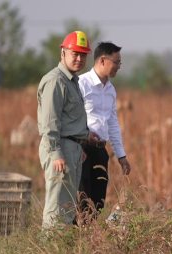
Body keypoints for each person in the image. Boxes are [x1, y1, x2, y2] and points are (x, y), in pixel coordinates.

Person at [37, 31, 91, 228]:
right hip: (59, 148)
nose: (79, 59)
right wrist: (57, 152)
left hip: (72, 148)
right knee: (57, 208)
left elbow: (70, 119)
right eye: (74, 53)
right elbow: (50, 122)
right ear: (63, 53)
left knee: (67, 208)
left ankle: (59, 251)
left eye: (83, 55)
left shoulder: (72, 81)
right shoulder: (56, 81)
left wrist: (78, 147)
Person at [77, 41, 131, 216]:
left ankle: (91, 238)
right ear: (102, 60)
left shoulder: (111, 90)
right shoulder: (81, 84)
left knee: (98, 201)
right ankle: (78, 239)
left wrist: (121, 155)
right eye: (116, 62)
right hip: (82, 150)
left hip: (100, 150)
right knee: (82, 200)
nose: (118, 67)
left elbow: (113, 124)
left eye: (119, 63)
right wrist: (78, 143)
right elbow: (72, 117)